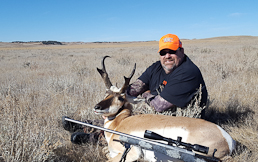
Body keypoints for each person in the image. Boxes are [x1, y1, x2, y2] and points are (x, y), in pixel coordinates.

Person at [63, 33, 208, 144]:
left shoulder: (188, 72)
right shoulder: (156, 67)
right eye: (163, 52)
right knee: (123, 108)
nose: (167, 56)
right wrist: (117, 95)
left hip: (180, 120)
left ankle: (97, 138)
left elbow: (159, 105)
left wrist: (145, 94)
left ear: (181, 51)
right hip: (155, 111)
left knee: (133, 120)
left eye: (172, 51)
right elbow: (134, 88)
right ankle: (88, 125)